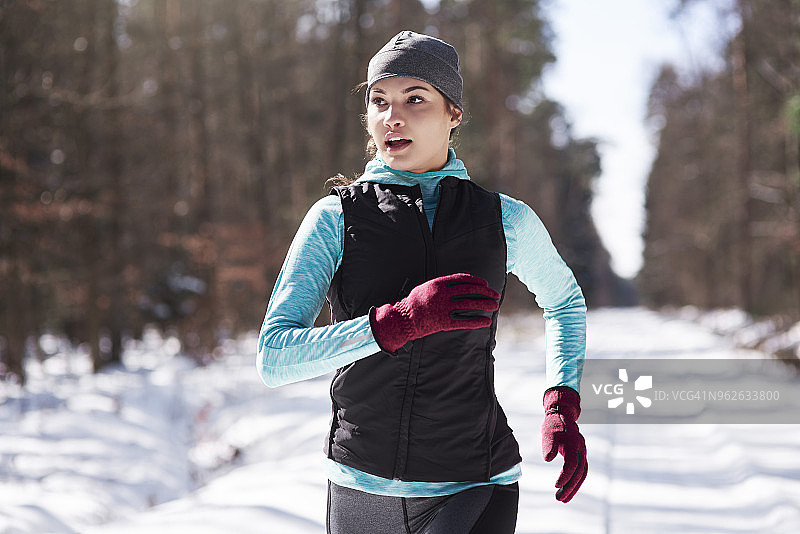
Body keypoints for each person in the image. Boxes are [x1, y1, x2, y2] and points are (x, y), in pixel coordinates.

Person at [258, 30, 587, 534]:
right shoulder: (335, 219)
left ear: (453, 113)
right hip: (360, 485)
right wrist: (395, 323)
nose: (394, 116)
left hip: (474, 481)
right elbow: (275, 357)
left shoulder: (503, 220)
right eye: (379, 101)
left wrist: (561, 399)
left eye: (416, 99)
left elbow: (563, 302)